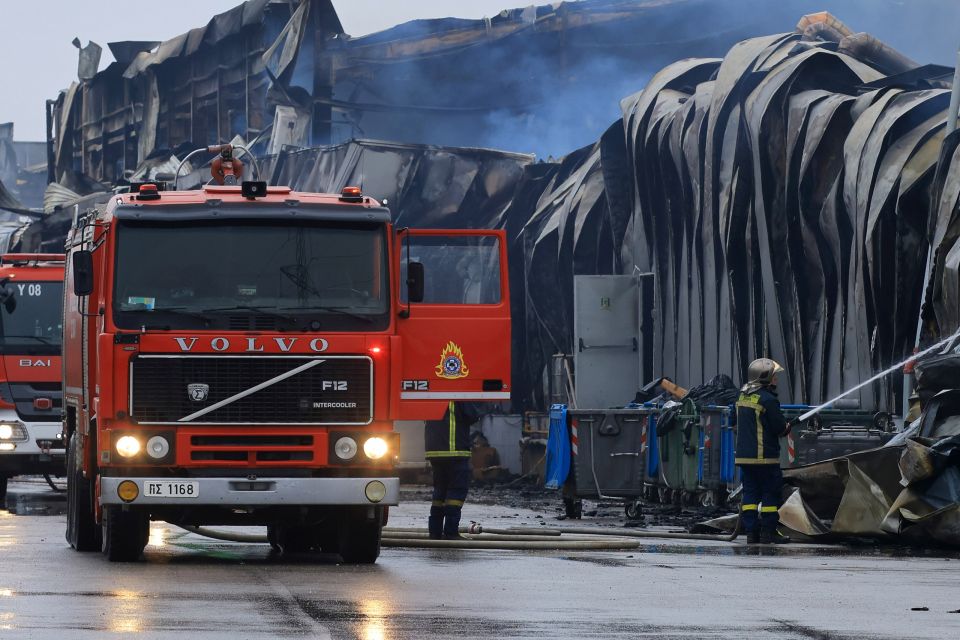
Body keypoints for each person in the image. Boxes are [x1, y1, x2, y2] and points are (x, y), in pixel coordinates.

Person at [735, 358, 792, 544]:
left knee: (750, 495)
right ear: (765, 376)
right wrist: (787, 427)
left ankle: (751, 533)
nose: (776, 379)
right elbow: (779, 428)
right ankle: (768, 532)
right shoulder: (768, 399)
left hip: (744, 458)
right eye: (774, 375)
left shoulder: (742, 397)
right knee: (770, 494)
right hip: (765, 458)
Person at [425, 401, 481, 539]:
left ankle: (435, 532)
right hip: (455, 452)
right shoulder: (458, 396)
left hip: (435, 453)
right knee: (456, 492)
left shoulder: (430, 396)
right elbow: (473, 416)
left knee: (440, 493)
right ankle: (451, 532)